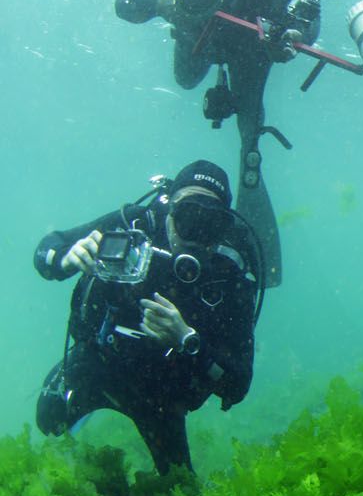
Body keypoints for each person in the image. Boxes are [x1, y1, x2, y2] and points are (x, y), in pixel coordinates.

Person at [115, 0, 322, 288]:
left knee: (251, 129)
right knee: (187, 80)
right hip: (200, 32)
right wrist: (165, 3)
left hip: (255, 48)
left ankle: (243, 251)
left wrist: (295, 38)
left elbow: (310, 18)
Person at [32, 161, 260, 475]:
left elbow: (238, 384)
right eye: (187, 215)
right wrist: (65, 258)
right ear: (168, 208)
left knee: (178, 490)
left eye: (210, 222)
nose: (196, 234)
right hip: (99, 362)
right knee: (48, 419)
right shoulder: (137, 225)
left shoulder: (228, 276)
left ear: (224, 226)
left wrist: (188, 341)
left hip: (163, 394)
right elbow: (46, 249)